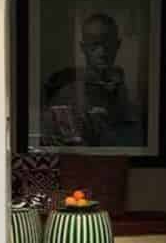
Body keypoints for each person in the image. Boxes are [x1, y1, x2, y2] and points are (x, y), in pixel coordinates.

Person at [42, 13, 143, 149]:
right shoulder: (65, 94)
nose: (102, 51)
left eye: (107, 43)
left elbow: (138, 143)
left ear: (117, 45)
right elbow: (54, 144)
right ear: (83, 47)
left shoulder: (132, 95)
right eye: (94, 43)